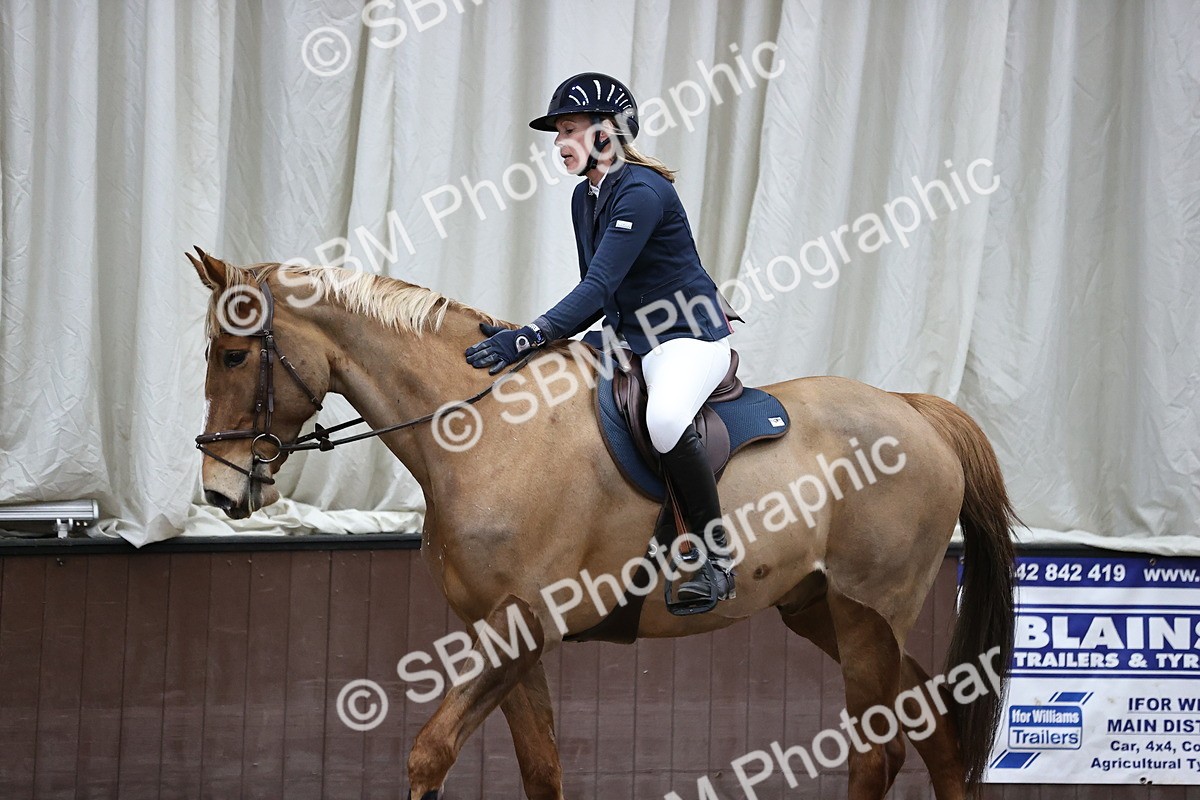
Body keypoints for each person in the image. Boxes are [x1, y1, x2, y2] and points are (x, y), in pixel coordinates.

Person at [465, 73, 736, 604]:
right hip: (630, 336)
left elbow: (598, 286)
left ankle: (715, 558)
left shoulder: (641, 191)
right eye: (557, 134)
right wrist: (543, 345)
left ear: (607, 133)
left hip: (685, 336)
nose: (560, 144)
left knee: (663, 418)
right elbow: (603, 296)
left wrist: (531, 334)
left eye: (569, 131)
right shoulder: (584, 198)